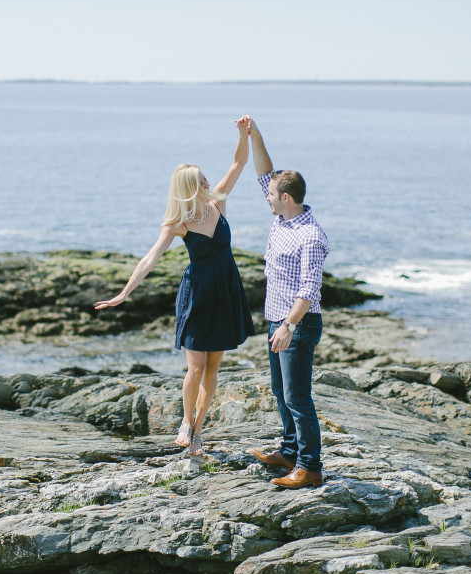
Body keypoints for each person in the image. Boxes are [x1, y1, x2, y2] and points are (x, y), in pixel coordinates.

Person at [95, 118, 256, 456]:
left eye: (205, 177)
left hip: (226, 288)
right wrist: (125, 293)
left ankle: (198, 429)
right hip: (198, 293)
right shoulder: (178, 222)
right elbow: (150, 258)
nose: (208, 181)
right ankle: (186, 421)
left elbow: (239, 162)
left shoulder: (218, 204)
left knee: (213, 367)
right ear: (188, 186)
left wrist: (243, 135)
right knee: (195, 366)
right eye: (200, 179)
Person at [246, 117, 330, 490]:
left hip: (297, 323)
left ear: (286, 198)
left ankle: (310, 467)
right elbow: (265, 173)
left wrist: (288, 326)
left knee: (298, 397)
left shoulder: (310, 236)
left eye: (272, 193)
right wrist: (254, 136)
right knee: (281, 392)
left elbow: (310, 289)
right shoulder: (282, 218)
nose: (266, 195)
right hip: (276, 319)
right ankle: (290, 451)